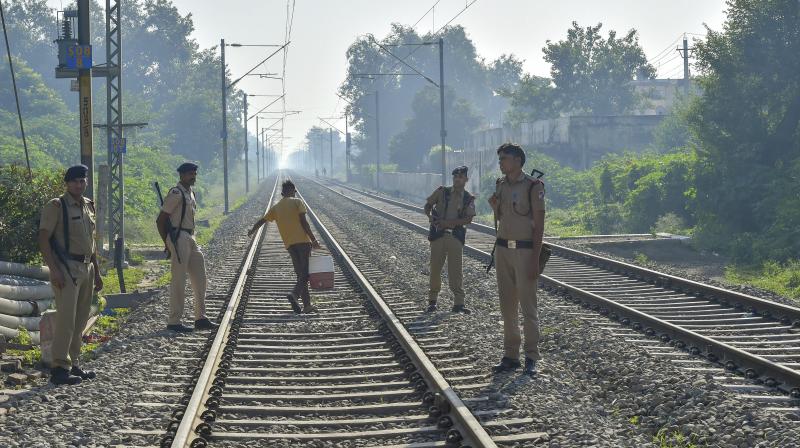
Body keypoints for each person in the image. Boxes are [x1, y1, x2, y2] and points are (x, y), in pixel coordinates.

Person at [38, 164, 102, 385]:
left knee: (81, 318)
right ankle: (58, 368)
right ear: (67, 183)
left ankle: (73, 363)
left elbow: (91, 243)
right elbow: (44, 238)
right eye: (74, 181)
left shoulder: (87, 205)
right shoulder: (57, 205)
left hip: (86, 267)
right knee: (66, 319)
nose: (78, 184)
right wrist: (54, 270)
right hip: (66, 267)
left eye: (82, 180)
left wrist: (98, 272)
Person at [487, 143, 546, 376]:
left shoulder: (533, 186)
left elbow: (539, 226)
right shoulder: (500, 185)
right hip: (503, 251)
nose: (501, 161)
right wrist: (494, 207)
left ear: (518, 161)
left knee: (528, 306)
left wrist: (535, 258)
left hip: (525, 251)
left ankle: (531, 356)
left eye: (505, 158)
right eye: (500, 157)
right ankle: (511, 355)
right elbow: (503, 217)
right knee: (507, 306)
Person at [156, 162, 218, 333]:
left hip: (191, 237)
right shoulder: (176, 193)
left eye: (194, 173)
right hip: (179, 237)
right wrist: (167, 243)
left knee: (201, 278)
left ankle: (201, 318)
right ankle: (174, 321)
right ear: (182, 175)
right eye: (190, 174)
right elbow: (161, 220)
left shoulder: (190, 193)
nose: (193, 176)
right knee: (179, 280)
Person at [247, 180, 321, 313]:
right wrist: (314, 239)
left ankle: (307, 305)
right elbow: (304, 222)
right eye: (294, 191)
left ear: (282, 193)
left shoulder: (276, 207)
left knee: (301, 275)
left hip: (290, 244)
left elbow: (262, 221)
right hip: (303, 243)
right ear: (293, 191)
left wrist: (252, 230)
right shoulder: (297, 202)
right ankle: (294, 294)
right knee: (305, 274)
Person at [424, 166, 476, 314]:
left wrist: (449, 223)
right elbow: (428, 205)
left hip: (455, 237)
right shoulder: (442, 191)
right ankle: (432, 301)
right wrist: (430, 216)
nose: (457, 179)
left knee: (456, 271)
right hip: (438, 236)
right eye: (455, 177)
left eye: (460, 177)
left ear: (466, 179)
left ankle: (458, 303)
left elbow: (469, 219)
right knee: (435, 269)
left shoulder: (468, 198)